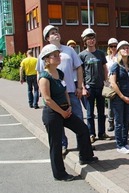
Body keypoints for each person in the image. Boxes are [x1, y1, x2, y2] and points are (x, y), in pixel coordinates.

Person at [38, 44, 98, 181]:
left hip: (65, 110)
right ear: (46, 59)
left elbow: (65, 90)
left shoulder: (60, 73)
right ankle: (60, 174)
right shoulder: (44, 77)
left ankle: (86, 157)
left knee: (82, 129)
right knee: (56, 144)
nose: (58, 57)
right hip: (53, 114)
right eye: (55, 55)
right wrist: (61, 112)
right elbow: (47, 99)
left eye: (58, 54)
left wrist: (69, 106)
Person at [36, 25, 84, 155]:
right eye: (52, 33)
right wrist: (43, 92)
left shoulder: (69, 50)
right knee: (58, 121)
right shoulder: (44, 53)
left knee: (78, 118)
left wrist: (79, 87)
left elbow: (79, 68)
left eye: (57, 31)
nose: (56, 34)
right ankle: (63, 144)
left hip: (71, 92)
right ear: (47, 38)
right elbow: (39, 73)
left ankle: (82, 145)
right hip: (54, 95)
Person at [79, 28, 110, 143]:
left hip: (100, 86)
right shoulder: (82, 55)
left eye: (93, 38)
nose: (91, 41)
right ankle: (91, 134)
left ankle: (101, 133)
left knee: (102, 112)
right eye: (89, 39)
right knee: (90, 113)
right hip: (89, 87)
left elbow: (105, 69)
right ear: (85, 41)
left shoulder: (100, 54)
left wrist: (106, 82)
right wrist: (82, 87)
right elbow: (80, 73)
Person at [110, 40, 129, 154]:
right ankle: (119, 144)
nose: (126, 49)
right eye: (123, 48)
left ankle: (125, 142)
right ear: (119, 51)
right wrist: (122, 96)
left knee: (127, 121)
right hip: (118, 97)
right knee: (119, 121)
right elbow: (113, 83)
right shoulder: (116, 65)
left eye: (127, 48)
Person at [105, 38, 118, 132]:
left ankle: (119, 121)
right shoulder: (106, 58)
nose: (113, 48)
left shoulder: (120, 57)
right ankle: (110, 122)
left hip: (119, 82)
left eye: (115, 46)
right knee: (110, 104)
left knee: (119, 104)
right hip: (110, 83)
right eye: (111, 46)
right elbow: (105, 70)